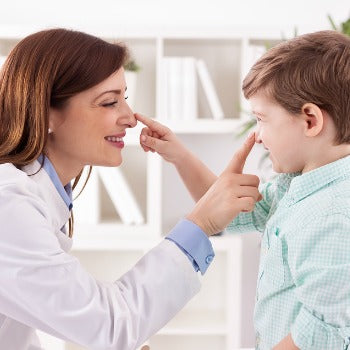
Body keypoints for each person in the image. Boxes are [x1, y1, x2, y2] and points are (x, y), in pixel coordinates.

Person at [0, 28, 262, 350]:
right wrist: (200, 225)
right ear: (45, 113)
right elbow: (109, 325)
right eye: (109, 102)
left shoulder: (34, 195)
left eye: (125, 97)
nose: (129, 117)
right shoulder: (8, 205)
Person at [136, 30, 350, 349]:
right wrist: (180, 157)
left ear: (309, 120)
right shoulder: (298, 183)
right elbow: (229, 213)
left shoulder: (332, 216)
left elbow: (322, 333)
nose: (258, 136)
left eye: (262, 119)